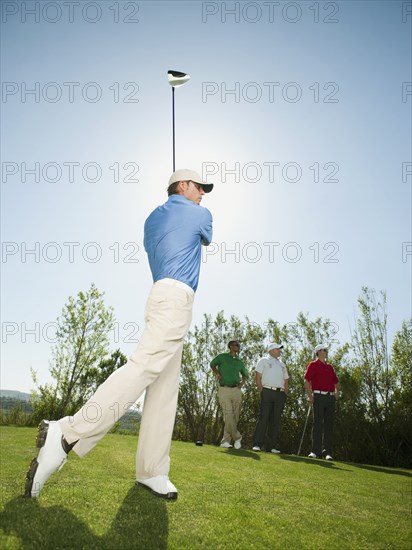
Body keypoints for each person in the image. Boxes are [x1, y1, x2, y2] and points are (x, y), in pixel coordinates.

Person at [25, 168, 214, 500]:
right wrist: (195, 211)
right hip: (176, 299)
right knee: (142, 368)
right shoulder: (201, 213)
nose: (203, 194)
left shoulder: (152, 218)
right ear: (182, 185)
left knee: (164, 389)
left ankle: (152, 470)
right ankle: (67, 432)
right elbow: (205, 238)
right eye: (199, 187)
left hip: (159, 296)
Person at [304, 344, 339, 461]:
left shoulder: (329, 367)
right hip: (318, 396)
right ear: (319, 352)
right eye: (324, 350)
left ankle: (327, 452)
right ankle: (315, 451)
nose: (326, 351)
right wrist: (310, 396)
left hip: (330, 398)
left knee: (329, 425)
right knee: (317, 424)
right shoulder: (313, 365)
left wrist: (337, 391)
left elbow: (335, 381)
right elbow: (306, 380)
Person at [252, 343, 289, 454]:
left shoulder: (282, 364)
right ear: (271, 350)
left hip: (280, 394)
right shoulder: (263, 360)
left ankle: (271, 446)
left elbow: (286, 379)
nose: (279, 351)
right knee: (263, 418)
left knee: (275, 420)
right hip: (267, 391)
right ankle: (257, 444)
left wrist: (285, 393)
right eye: (278, 349)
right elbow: (258, 376)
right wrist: (261, 390)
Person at [210, 341, 248, 449]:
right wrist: (217, 373)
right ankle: (237, 437)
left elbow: (245, 375)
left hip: (236, 390)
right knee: (228, 414)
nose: (238, 347)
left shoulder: (240, 362)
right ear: (230, 346)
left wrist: (242, 383)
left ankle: (225, 441)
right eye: (236, 345)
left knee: (235, 416)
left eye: (239, 345)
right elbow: (212, 364)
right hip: (224, 389)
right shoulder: (222, 357)